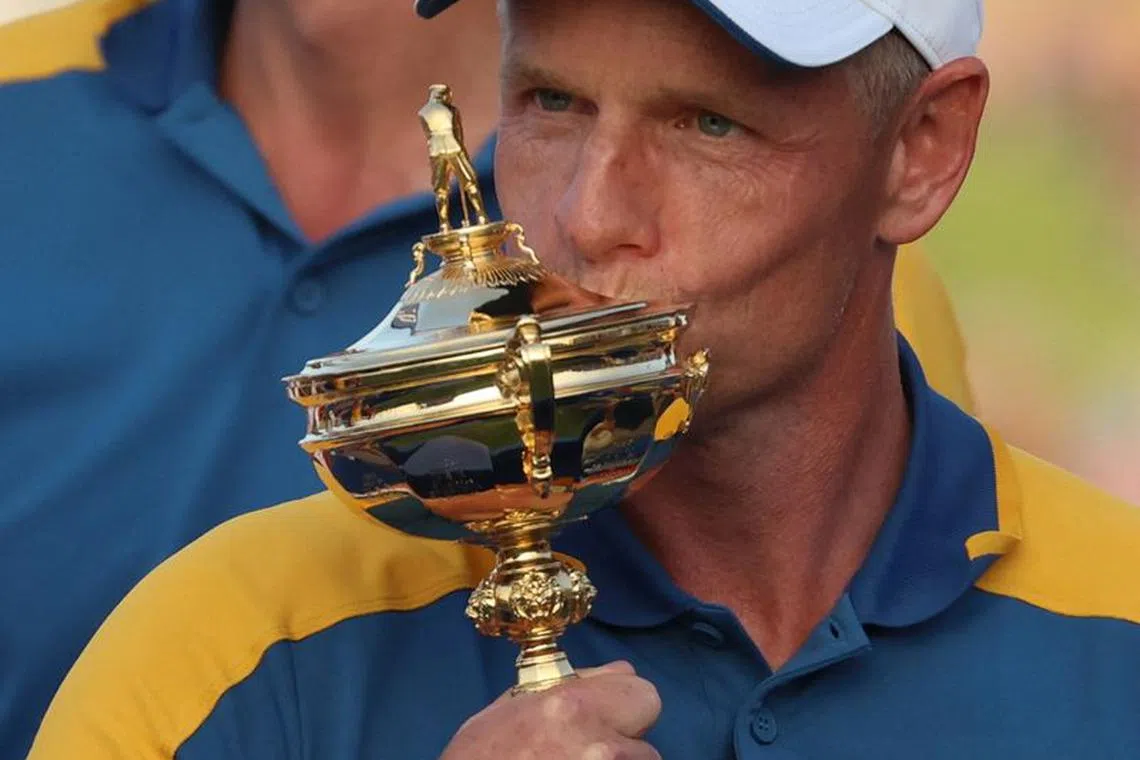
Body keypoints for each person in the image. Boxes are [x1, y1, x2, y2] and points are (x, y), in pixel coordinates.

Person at [0, 0, 973, 756]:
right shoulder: (208, 629)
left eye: (710, 123)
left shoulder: (826, 289)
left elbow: (926, 680)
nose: (596, 215)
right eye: (553, 103)